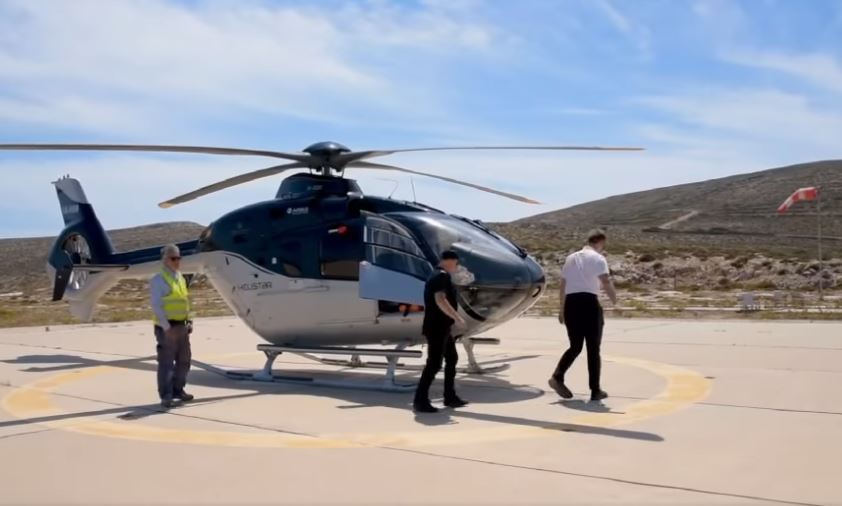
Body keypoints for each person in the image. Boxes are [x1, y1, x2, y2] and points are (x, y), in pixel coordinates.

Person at [548, 229, 617, 402]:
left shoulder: (570, 258)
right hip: (589, 304)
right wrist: (614, 299)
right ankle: (595, 390)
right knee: (593, 349)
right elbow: (605, 281)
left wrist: (562, 309)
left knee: (575, 346)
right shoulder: (598, 258)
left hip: (571, 305)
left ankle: (557, 376)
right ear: (600, 242)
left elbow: (563, 285)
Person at [413, 250, 469, 413]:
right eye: (456, 264)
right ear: (449, 261)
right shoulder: (441, 276)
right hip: (437, 327)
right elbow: (440, 300)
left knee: (451, 358)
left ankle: (450, 396)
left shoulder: (437, 274)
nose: (456, 267)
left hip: (442, 326)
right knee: (434, 363)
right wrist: (457, 318)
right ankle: (420, 400)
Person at [150, 244, 194, 409]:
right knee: (166, 364)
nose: (177, 261)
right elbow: (156, 305)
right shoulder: (158, 280)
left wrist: (189, 321)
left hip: (182, 327)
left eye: (179, 258)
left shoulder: (180, 278)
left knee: (184, 361)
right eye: (174, 258)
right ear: (165, 260)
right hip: (167, 328)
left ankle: (178, 390)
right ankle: (166, 396)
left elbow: (184, 301)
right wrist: (166, 326)